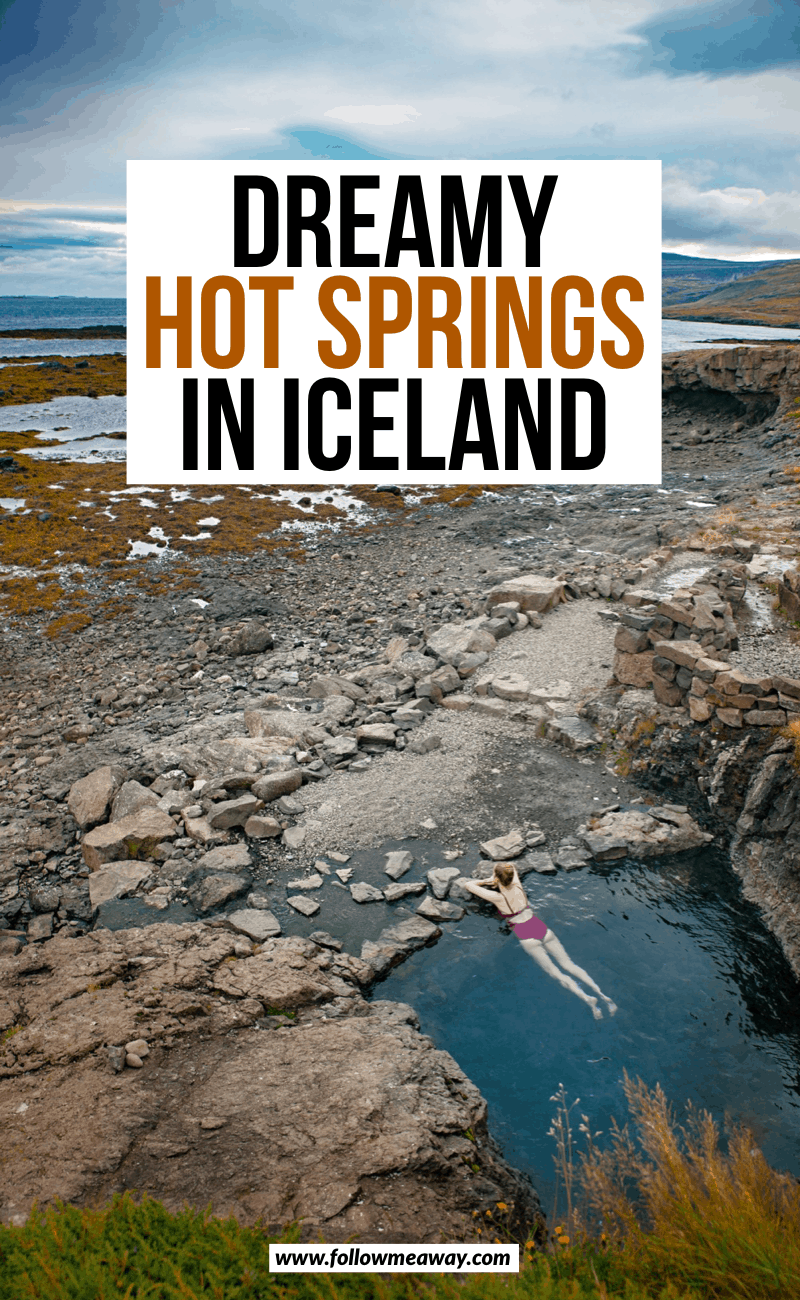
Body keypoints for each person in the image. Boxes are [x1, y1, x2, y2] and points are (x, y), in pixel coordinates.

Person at [462, 862, 617, 1020]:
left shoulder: (497, 897)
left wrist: (488, 880)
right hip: (541, 929)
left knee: (555, 972)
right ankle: (602, 994)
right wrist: (498, 876)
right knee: (569, 964)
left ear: (497, 878)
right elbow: (512, 867)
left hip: (526, 935)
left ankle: (587, 999)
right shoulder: (517, 885)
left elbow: (468, 884)